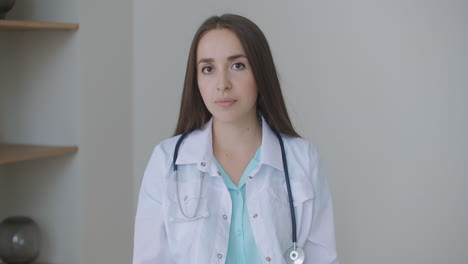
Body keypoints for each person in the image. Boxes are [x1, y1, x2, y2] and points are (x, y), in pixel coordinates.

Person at [133, 14, 339, 264]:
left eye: (237, 65)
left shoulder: (302, 158)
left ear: (260, 73)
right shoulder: (166, 160)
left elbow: (322, 258)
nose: (222, 84)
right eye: (208, 69)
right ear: (196, 80)